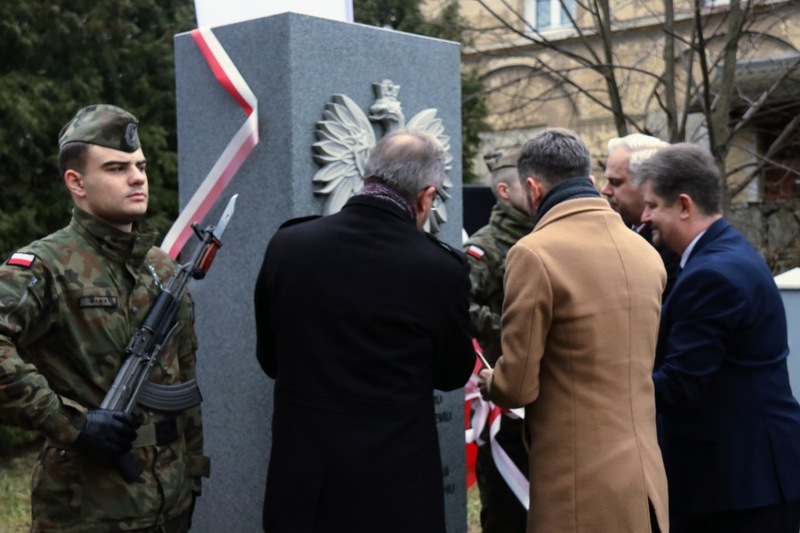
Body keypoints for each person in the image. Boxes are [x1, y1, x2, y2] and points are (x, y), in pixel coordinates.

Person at [0, 104, 209, 532]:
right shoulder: (46, 266)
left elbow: (183, 380)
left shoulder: (162, 268)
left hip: (170, 502)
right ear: (76, 182)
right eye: (116, 168)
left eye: (140, 166)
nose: (137, 178)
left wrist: (192, 474)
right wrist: (72, 423)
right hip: (88, 509)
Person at [254, 129, 475, 533]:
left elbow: (271, 359)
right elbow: (452, 373)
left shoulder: (289, 245)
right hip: (395, 489)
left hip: (306, 487)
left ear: (367, 177)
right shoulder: (440, 269)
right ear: (426, 196)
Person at [478, 128, 669, 533]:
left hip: (578, 484)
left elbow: (517, 387)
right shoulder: (646, 253)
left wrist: (489, 379)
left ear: (532, 187)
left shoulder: (534, 253)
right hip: (646, 480)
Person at [634, 142, 800, 532]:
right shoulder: (727, 253)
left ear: (685, 205)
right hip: (744, 477)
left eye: (653, 205)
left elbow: (680, 382)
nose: (644, 217)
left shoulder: (712, 276)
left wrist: (602, 390)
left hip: (740, 484)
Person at [464, 148, 533, 533]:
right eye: (528, 184)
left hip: (546, 397)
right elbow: (460, 310)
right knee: (508, 512)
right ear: (504, 190)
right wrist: (515, 327)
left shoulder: (549, 235)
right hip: (506, 404)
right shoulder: (484, 249)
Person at [602, 133, 680, 298]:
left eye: (615, 182)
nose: (605, 190)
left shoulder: (672, 245)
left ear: (649, 185)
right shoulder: (618, 232)